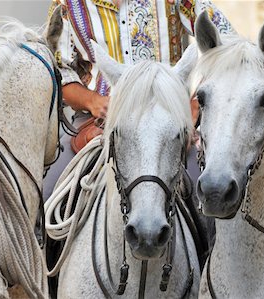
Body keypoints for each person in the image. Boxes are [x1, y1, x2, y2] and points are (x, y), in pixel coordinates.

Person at [43, 0, 233, 199]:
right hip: (96, 122)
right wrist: (92, 101)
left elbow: (228, 45)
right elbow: (58, 71)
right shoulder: (67, 4)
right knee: (48, 196)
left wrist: (196, 103)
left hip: (172, 123)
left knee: (210, 198)